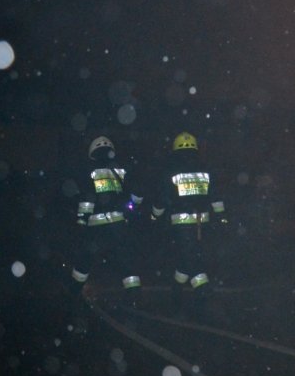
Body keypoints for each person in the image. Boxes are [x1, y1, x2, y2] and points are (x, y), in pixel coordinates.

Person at [150, 131, 229, 325]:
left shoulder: (172, 171)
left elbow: (163, 198)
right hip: (204, 223)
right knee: (190, 258)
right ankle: (176, 295)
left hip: (181, 224)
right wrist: (221, 218)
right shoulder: (206, 169)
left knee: (191, 260)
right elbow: (216, 197)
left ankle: (203, 293)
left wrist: (154, 216)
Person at [69, 135, 145, 309]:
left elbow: (87, 198)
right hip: (119, 225)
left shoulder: (90, 170)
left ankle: (74, 294)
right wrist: (133, 208)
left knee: (85, 259)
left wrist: (81, 221)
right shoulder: (120, 170)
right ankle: (134, 297)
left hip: (96, 228)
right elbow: (137, 193)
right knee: (126, 261)